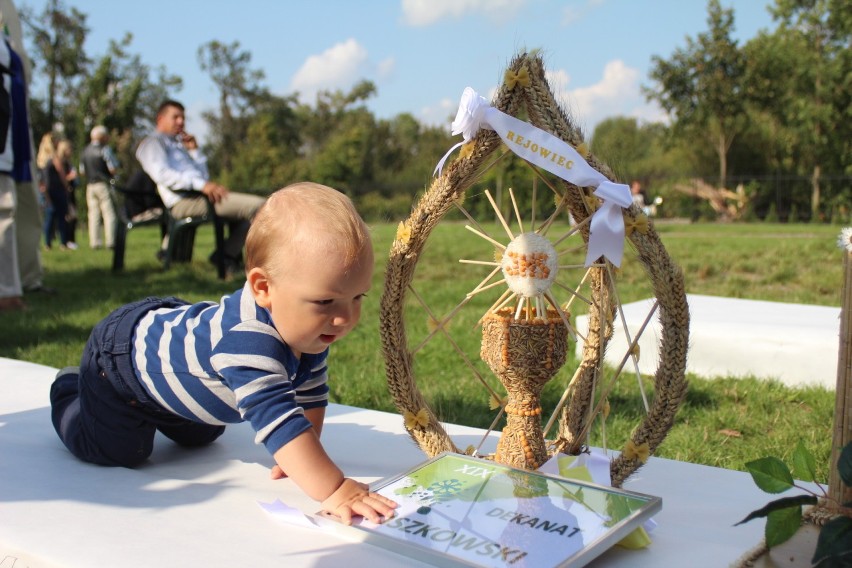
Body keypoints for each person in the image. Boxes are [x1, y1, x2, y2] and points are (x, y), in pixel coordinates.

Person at [49, 182, 397, 525]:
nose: (345, 318)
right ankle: (69, 389)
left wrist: (301, 457)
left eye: (357, 298)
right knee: (124, 452)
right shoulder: (247, 343)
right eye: (325, 301)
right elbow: (281, 421)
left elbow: (308, 396)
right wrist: (335, 489)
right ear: (263, 287)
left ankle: (163, 408)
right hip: (119, 364)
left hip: (174, 363)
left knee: (204, 434)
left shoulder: (309, 329)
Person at [136, 100, 264, 275]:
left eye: (183, 117)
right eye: (175, 117)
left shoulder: (178, 146)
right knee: (261, 206)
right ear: (160, 118)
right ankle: (231, 258)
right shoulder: (153, 143)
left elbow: (203, 178)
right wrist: (202, 185)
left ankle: (225, 256)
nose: (181, 122)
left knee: (255, 211)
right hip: (183, 201)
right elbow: (162, 174)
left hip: (199, 197)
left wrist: (195, 152)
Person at [80, 125, 119, 249]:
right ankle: (110, 241)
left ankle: (95, 242)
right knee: (108, 213)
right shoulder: (105, 149)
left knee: (93, 214)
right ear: (102, 137)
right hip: (103, 184)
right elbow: (112, 168)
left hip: (90, 185)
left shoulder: (85, 151)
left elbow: (82, 171)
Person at [36, 133, 75, 250]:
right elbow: (62, 174)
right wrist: (67, 185)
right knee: (62, 217)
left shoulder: (40, 159)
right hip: (57, 190)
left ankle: (47, 243)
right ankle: (63, 243)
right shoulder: (54, 158)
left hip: (45, 190)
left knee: (49, 217)